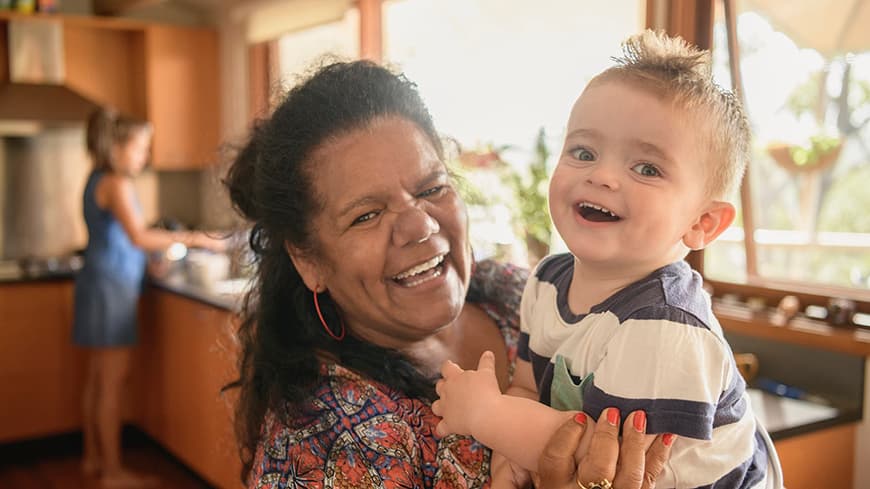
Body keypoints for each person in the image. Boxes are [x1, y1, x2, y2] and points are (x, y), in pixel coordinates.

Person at [223, 59, 673, 489]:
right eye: (366, 215)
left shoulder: (517, 293)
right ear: (309, 260)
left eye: (432, 188)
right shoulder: (331, 444)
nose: (420, 225)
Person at [432, 30, 784, 489]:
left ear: (701, 224)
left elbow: (609, 460)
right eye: (583, 152)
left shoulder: (664, 321)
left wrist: (487, 415)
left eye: (647, 168)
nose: (601, 176)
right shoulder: (547, 280)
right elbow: (527, 387)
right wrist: (509, 459)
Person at [73, 107, 225, 488]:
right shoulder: (117, 183)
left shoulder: (96, 178)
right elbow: (138, 236)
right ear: (118, 146)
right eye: (140, 148)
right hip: (111, 290)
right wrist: (196, 238)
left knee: (96, 378)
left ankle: (94, 459)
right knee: (111, 382)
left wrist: (148, 263)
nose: (144, 157)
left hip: (98, 282)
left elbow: (122, 240)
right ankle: (113, 472)